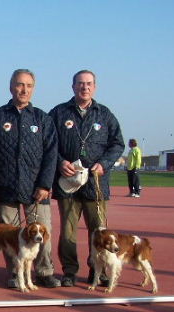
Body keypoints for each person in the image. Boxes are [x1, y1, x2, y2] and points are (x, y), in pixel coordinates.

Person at [0, 69, 60, 288]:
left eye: (28, 85)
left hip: (37, 189)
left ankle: (45, 272)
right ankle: (14, 275)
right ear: (11, 87)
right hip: (5, 187)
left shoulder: (42, 119)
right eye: (19, 85)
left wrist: (45, 184)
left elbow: (51, 154)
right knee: (10, 237)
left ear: (33, 88)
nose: (23, 89)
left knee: (43, 233)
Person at [49, 70, 124, 287]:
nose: (85, 87)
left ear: (95, 87)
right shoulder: (59, 113)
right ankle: (70, 272)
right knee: (68, 232)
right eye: (80, 84)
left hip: (96, 184)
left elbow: (117, 144)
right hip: (69, 184)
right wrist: (60, 162)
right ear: (73, 86)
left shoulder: (105, 114)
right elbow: (49, 144)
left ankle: (97, 271)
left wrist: (105, 163)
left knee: (99, 232)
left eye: (89, 84)